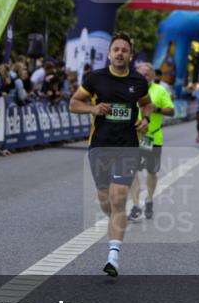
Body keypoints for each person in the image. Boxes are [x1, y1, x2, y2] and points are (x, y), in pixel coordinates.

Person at [69, 32, 151, 277]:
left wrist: (145, 118)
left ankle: (113, 256)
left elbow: (146, 103)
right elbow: (74, 103)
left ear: (130, 55)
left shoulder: (138, 81)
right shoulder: (96, 78)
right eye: (116, 49)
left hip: (127, 146)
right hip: (100, 145)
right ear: (109, 53)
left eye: (124, 50)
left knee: (118, 197)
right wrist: (93, 108)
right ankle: (116, 218)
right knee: (106, 199)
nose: (120, 53)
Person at [128, 63, 174, 222]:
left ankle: (149, 199)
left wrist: (157, 109)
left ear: (153, 76)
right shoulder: (130, 88)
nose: (143, 77)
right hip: (133, 137)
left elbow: (172, 111)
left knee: (151, 172)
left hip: (153, 138)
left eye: (146, 74)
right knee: (132, 171)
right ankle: (135, 206)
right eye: (140, 73)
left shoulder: (160, 91)